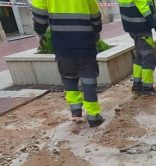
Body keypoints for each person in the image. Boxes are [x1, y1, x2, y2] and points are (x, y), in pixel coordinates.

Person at [32, 0, 105, 128]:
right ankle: (93, 116)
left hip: (62, 43)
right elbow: (95, 13)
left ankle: (76, 113)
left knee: (68, 77)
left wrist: (40, 32)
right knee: (88, 79)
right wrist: (97, 29)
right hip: (85, 42)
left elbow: (39, 14)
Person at [119, 0, 156, 97]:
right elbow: (144, 7)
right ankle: (147, 88)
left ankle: (137, 85)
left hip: (131, 27)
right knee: (148, 56)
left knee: (140, 55)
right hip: (141, 26)